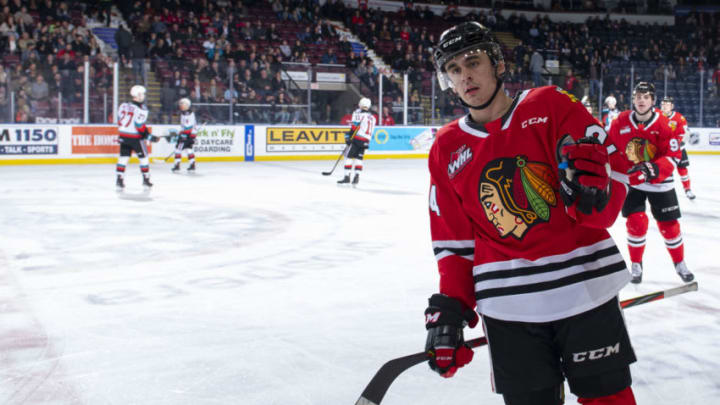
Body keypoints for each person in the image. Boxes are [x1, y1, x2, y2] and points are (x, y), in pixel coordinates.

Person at [424, 22, 637, 405]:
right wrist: (453, 310)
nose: (465, 75)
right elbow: (454, 243)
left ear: (498, 65)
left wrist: (597, 188)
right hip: (509, 307)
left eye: (473, 61)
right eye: (454, 69)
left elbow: (611, 176)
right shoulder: (446, 146)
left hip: (584, 289)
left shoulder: (550, 103)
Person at [607, 82, 694, 284]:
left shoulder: (663, 124)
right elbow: (609, 148)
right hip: (633, 182)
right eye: (638, 96)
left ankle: (679, 263)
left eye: (646, 97)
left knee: (669, 226)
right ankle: (636, 265)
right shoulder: (621, 121)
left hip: (660, 182)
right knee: (636, 223)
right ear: (633, 99)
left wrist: (653, 170)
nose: (641, 100)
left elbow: (674, 154)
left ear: (652, 101)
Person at [116, 85, 152, 190]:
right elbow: (139, 126)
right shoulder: (142, 108)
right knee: (144, 158)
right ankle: (146, 179)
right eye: (143, 94)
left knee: (123, 158)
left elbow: (119, 121)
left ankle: (119, 179)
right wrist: (147, 135)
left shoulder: (123, 105)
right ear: (139, 95)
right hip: (135, 138)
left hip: (123, 135)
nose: (144, 96)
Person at [660, 96, 694, 200]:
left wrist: (680, 146)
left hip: (678, 149)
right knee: (662, 170)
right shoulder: (657, 116)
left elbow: (686, 133)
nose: (665, 106)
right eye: (663, 104)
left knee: (682, 169)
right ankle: (661, 191)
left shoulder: (679, 117)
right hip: (663, 150)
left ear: (672, 106)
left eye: (667, 104)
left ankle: (688, 189)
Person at [338, 97, 376, 186]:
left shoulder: (358, 115)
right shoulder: (373, 117)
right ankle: (356, 176)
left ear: (361, 104)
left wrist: (349, 137)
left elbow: (354, 127)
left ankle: (347, 177)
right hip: (366, 141)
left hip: (358, 139)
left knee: (349, 157)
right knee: (359, 158)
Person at [172, 98, 198, 173]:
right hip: (191, 135)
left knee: (178, 149)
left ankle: (177, 165)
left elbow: (188, 127)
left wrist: (183, 135)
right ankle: (192, 165)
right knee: (188, 149)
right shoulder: (185, 112)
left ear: (187, 105)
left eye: (182, 104)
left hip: (187, 135)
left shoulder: (187, 113)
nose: (180, 105)